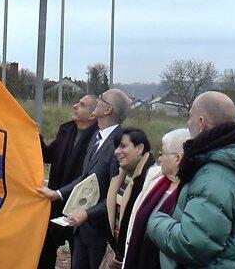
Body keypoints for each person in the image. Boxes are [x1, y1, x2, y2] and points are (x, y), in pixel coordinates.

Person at [147, 91, 235, 268]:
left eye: (190, 117)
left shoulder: (214, 175)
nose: (188, 123)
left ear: (202, 123)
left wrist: (156, 222)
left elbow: (194, 244)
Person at [37, 88, 131, 269]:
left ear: (108, 110)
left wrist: (87, 214)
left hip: (98, 231)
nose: (97, 102)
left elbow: (115, 195)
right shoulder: (97, 137)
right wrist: (57, 193)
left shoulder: (120, 143)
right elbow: (85, 177)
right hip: (80, 226)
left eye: (101, 99)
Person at [37, 95, 98, 269]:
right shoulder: (66, 130)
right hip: (55, 202)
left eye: (81, 105)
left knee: (78, 256)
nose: (75, 106)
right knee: (46, 250)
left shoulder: (98, 139)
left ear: (93, 114)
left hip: (80, 208)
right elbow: (49, 155)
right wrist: (35, 136)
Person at [122, 128, 190, 269]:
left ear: (178, 158)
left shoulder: (190, 193)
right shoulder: (154, 180)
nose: (159, 159)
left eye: (162, 153)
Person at [99, 128, 156, 268]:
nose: (117, 151)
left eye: (123, 146)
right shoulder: (121, 174)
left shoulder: (151, 180)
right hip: (115, 255)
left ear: (139, 148)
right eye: (117, 146)